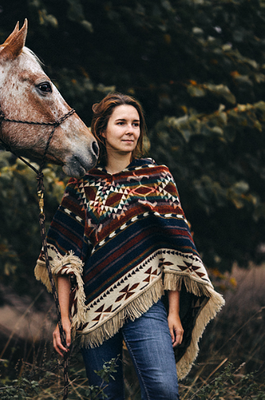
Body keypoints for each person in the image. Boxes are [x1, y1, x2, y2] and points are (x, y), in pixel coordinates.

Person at [35, 93, 224, 399]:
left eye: (135, 124)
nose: (130, 130)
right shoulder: (83, 186)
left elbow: (173, 252)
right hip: (93, 310)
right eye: (121, 123)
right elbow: (64, 257)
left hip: (147, 303)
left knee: (163, 389)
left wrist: (173, 313)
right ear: (102, 131)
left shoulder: (158, 178)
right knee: (106, 395)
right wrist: (65, 319)